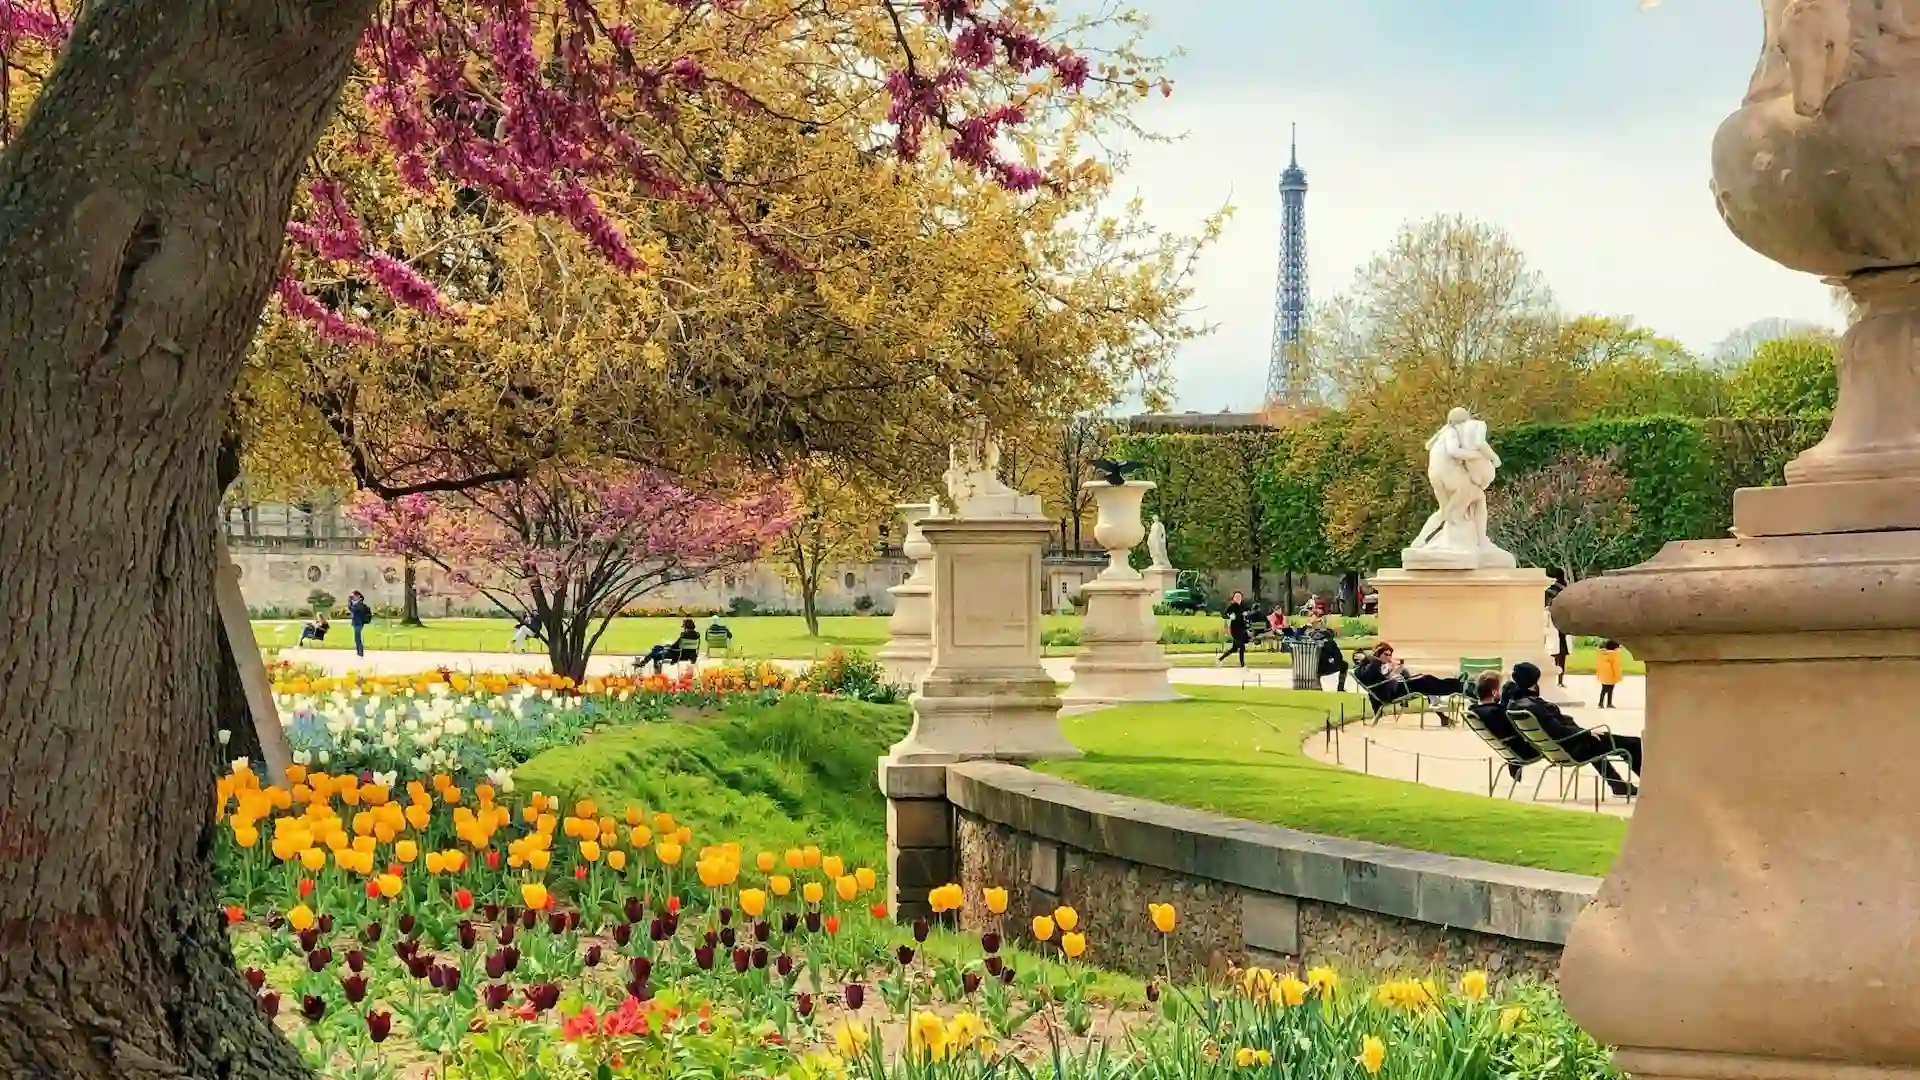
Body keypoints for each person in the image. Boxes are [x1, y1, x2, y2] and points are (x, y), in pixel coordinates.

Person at [1508, 661, 1640, 798]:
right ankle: (1649, 783)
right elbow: (1557, 730)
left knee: (1596, 747)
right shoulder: (1534, 706)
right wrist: (1586, 733)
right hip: (1573, 746)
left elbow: (1554, 729)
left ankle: (1619, 786)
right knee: (1633, 743)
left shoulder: (1515, 704)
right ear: (1533, 683)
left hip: (1561, 747)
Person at [1468, 670, 1541, 781]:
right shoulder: (1498, 712)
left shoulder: (1474, 710)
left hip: (1507, 748)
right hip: (1524, 751)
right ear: (1494, 692)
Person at [1353, 642, 1463, 713]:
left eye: (1390, 654)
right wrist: (1370, 658)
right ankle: (1459, 686)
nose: (1389, 657)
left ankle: (1457, 683)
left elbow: (1381, 678)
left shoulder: (1370, 666)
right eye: (1385, 654)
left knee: (1428, 680)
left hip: (1397, 688)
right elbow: (1377, 677)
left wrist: (1395, 672)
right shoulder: (1366, 667)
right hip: (1395, 691)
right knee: (1427, 681)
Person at [1215, 590, 1252, 668]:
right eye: (1236, 597)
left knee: (1234, 649)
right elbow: (1224, 614)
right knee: (1242, 647)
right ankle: (1242, 665)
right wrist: (1230, 616)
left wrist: (1246, 615)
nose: (1238, 598)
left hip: (1242, 629)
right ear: (1234, 598)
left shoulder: (1243, 607)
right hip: (1235, 629)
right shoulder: (1232, 607)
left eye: (1239, 597)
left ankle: (1220, 659)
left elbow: (1247, 614)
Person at [1595, 640, 1624, 708]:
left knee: (1604, 689)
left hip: (1603, 675)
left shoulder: (1602, 653)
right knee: (1610, 689)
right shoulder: (1615, 654)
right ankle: (1609, 703)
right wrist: (1618, 676)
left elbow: (1599, 664)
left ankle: (1601, 703)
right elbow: (1616, 666)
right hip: (1611, 675)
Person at [347, 590, 373, 657]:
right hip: (356, 623)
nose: (353, 597)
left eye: (354, 596)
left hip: (359, 623)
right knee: (357, 638)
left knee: (357, 638)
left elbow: (352, 609)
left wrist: (349, 602)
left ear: (358, 596)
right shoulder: (355, 603)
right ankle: (359, 652)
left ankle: (360, 653)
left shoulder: (360, 604)